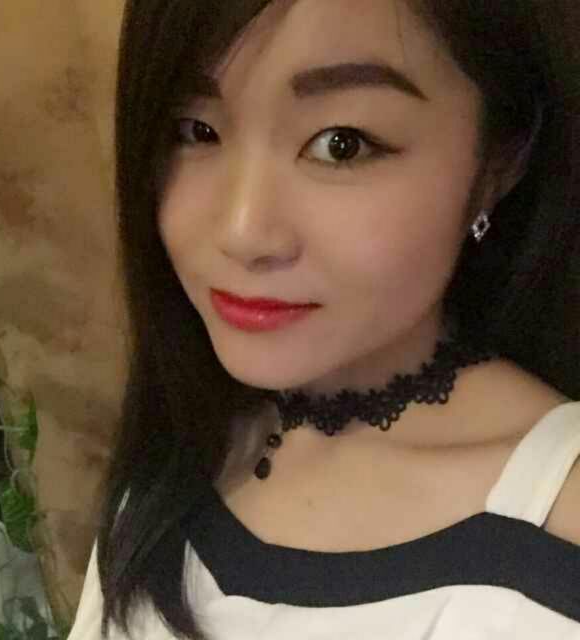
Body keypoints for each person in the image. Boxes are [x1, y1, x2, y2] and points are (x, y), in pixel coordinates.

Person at [67, 1, 580, 638]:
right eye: (196, 131)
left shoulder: (554, 533)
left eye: (342, 144)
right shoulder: (187, 438)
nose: (243, 232)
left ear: (500, 160)